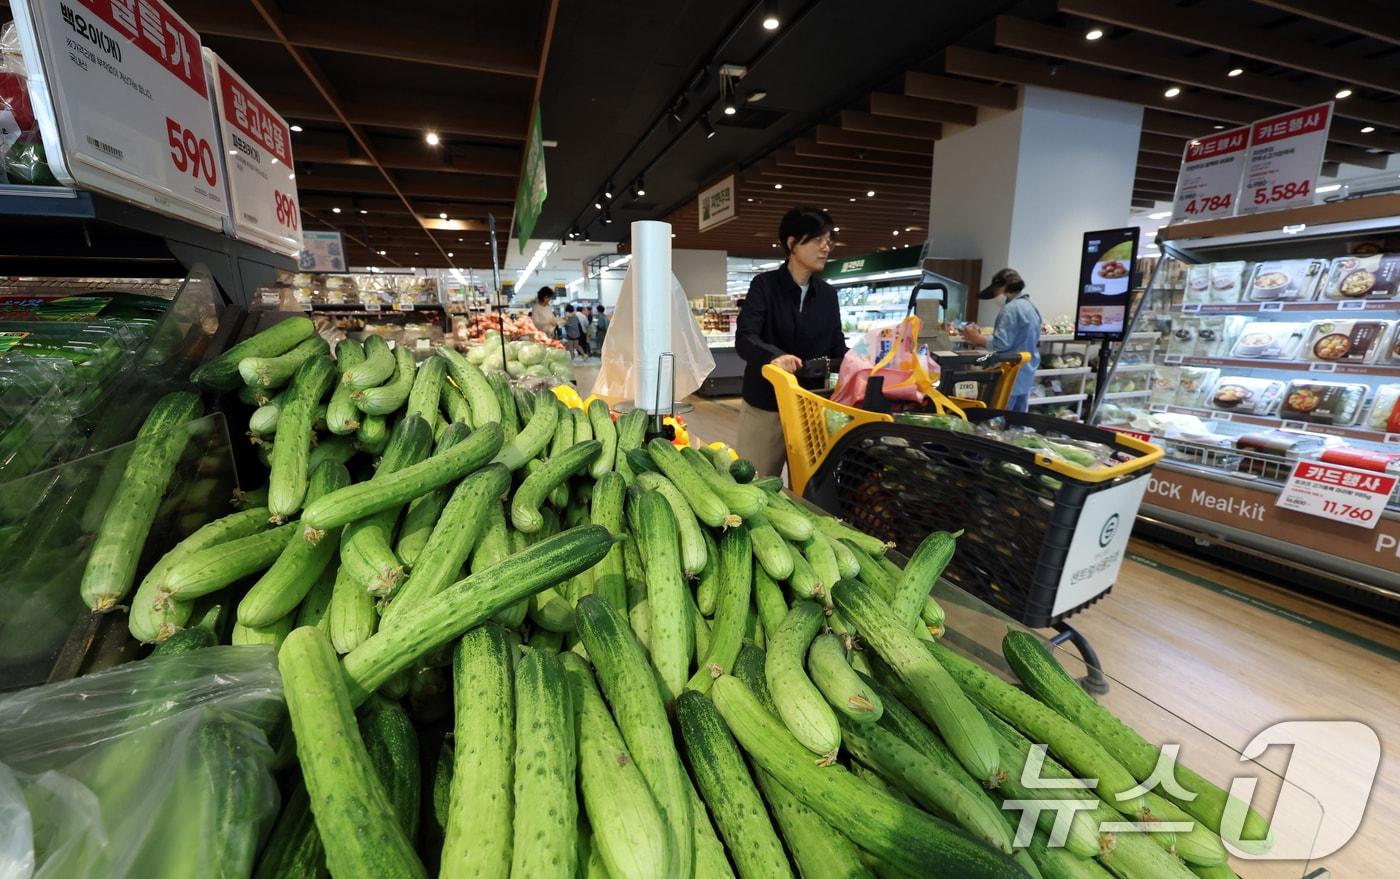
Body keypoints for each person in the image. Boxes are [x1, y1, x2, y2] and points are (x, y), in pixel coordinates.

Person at [735, 206, 847, 479]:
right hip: (766, 405)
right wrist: (774, 356)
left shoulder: (828, 295)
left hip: (811, 408)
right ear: (792, 244)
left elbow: (837, 346)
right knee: (754, 483)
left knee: (811, 488)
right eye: (818, 240)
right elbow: (745, 337)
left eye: (828, 240)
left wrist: (864, 363)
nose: (826, 247)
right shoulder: (765, 285)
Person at [961, 268, 1041, 412]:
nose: (995, 297)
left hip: (1010, 375)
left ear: (1003, 287)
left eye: (995, 291)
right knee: (1017, 422)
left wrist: (977, 338)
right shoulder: (1030, 307)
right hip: (1026, 373)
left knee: (996, 420)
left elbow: (1001, 345)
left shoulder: (1010, 310)